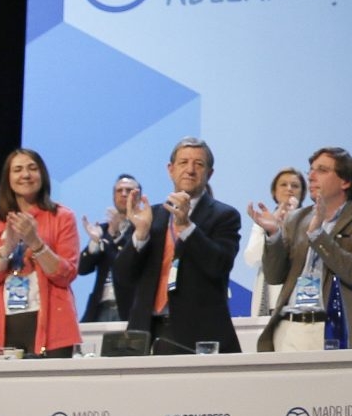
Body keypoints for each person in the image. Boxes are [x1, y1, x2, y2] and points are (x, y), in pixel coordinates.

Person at [252, 147, 352, 351]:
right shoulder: (296, 219)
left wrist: (317, 235)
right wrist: (273, 235)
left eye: (322, 170)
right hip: (289, 329)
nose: (311, 176)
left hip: (336, 330)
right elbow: (274, 275)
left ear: (345, 181)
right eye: (311, 170)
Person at [117, 136, 242, 353]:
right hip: (146, 332)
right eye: (183, 163)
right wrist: (140, 235)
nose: (190, 170)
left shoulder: (225, 216)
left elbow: (218, 266)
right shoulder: (151, 215)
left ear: (209, 173)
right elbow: (124, 276)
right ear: (170, 169)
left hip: (198, 335)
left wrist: (187, 227)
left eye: (199, 164)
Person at [0, 148, 81, 357]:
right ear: (8, 178)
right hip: (6, 322)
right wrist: (7, 249)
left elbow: (66, 275)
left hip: (53, 326)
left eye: (32, 168)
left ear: (42, 175)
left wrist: (36, 243)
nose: (25, 175)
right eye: (18, 170)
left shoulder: (62, 217)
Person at [244, 167, 307, 316]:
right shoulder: (262, 221)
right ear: (274, 191)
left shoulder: (311, 220)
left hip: (301, 298)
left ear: (303, 192)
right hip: (270, 300)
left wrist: (292, 223)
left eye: (295, 185)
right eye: (283, 185)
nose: (289, 189)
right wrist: (272, 231)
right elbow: (251, 258)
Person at [78, 173, 141, 322]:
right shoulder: (103, 230)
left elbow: (127, 263)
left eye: (129, 190)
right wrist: (95, 243)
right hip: (99, 309)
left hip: (129, 309)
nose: (124, 194)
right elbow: (82, 268)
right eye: (119, 191)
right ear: (113, 197)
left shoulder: (143, 229)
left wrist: (116, 237)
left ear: (138, 197)